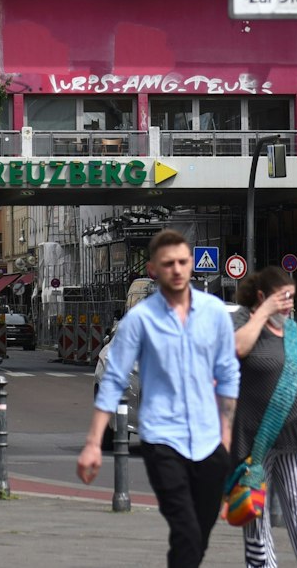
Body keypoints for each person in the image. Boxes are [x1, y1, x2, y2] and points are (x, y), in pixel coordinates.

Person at [78, 230, 240, 568]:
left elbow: (228, 376)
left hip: (210, 442)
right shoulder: (139, 321)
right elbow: (112, 382)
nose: (178, 270)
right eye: (169, 264)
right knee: (185, 528)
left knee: (201, 531)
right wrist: (94, 442)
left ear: (192, 264)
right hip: (162, 439)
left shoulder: (213, 313)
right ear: (153, 270)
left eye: (183, 262)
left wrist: (226, 435)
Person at [232, 268, 297, 568]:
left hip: (296, 439)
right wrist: (263, 313)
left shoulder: (291, 329)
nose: (289, 303)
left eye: (292, 297)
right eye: (283, 297)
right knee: (257, 532)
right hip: (255, 444)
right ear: (262, 296)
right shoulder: (242, 320)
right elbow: (237, 348)